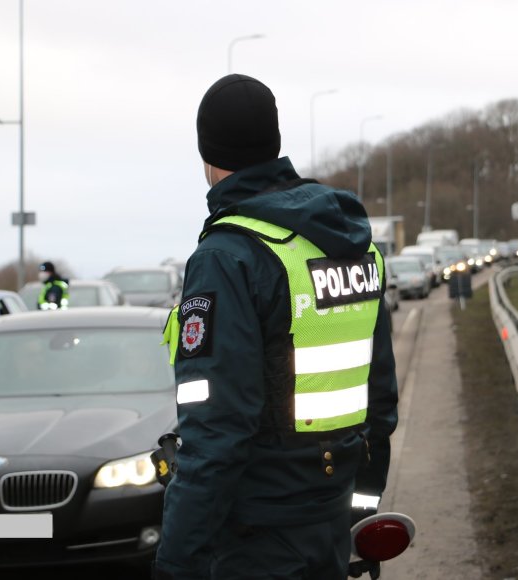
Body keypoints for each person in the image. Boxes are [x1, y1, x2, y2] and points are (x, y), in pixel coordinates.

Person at [154, 74, 399, 580]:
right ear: (275, 143)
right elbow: (380, 404)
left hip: (256, 537)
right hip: (329, 520)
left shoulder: (228, 256)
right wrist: (358, 512)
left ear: (207, 152)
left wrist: (176, 562)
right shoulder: (351, 242)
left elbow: (217, 434)